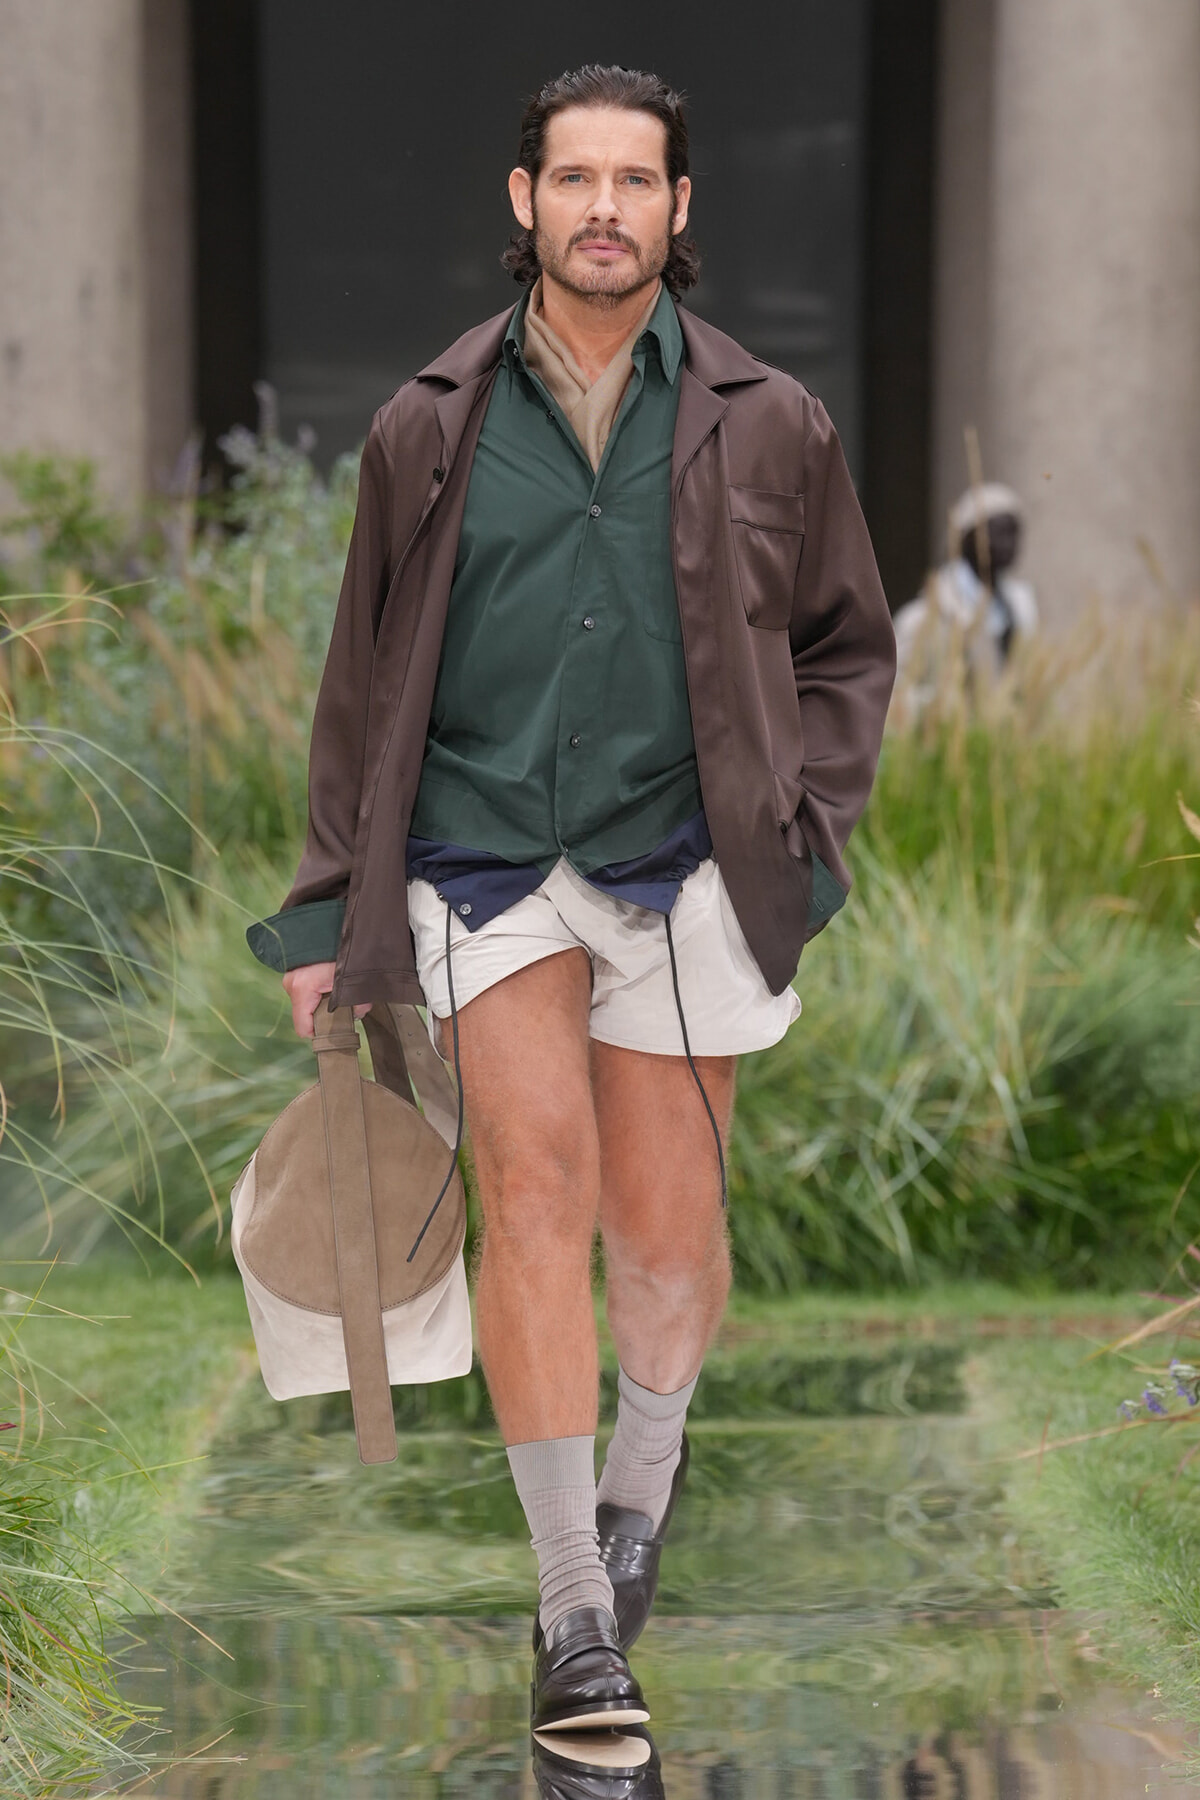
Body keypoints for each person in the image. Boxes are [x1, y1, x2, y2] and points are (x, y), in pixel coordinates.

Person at [247, 64, 895, 1734]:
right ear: (521, 199)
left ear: (682, 212)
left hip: (695, 864)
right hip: (486, 856)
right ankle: (571, 1609)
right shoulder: (427, 422)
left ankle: (640, 1479)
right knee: (534, 1192)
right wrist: (329, 915)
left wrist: (808, 838)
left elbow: (844, 649)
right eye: (575, 177)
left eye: (638, 181)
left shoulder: (773, 423)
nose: (604, 206)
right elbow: (360, 679)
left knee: (666, 1234)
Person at [892, 482, 1038, 710]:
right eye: (998, 532)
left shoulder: (1019, 607)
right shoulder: (925, 616)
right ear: (969, 536)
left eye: (1014, 533)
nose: (1010, 543)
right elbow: (896, 693)